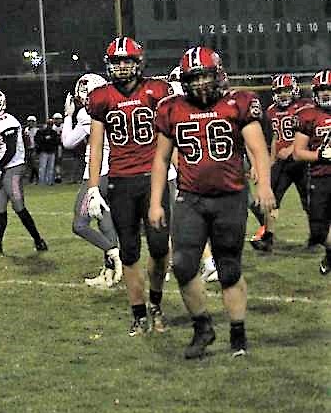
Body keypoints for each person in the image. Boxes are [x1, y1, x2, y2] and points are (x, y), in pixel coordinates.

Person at [150, 46, 275, 358]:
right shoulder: (171, 108)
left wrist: (265, 186)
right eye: (195, 78)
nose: (201, 83)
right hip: (190, 198)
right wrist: (155, 202)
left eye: (206, 76)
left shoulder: (239, 102)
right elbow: (161, 159)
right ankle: (202, 327)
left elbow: (257, 149)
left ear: (218, 75)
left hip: (230, 196)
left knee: (229, 267)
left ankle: (238, 332)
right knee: (182, 265)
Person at [86, 37, 171, 336]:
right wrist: (93, 186)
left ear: (138, 63)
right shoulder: (101, 97)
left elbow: (170, 134)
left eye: (128, 60)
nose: (122, 66)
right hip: (121, 180)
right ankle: (138, 313)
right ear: (110, 65)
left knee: (160, 248)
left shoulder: (157, 91)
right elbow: (96, 146)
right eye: (117, 61)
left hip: (153, 178)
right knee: (130, 251)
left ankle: (156, 302)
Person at [62, 73, 122, 287]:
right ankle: (109, 272)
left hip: (96, 175)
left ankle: (113, 254)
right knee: (105, 222)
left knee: (79, 224)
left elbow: (68, 142)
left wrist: (68, 115)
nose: (84, 102)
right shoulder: (116, 108)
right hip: (114, 172)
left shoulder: (89, 116)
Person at [0, 88, 48, 255]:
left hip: (13, 168)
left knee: (19, 207)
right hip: (6, 169)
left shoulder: (4, 120)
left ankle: (39, 240)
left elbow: (11, 150)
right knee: (0, 207)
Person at [250, 74, 312, 252]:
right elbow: (273, 139)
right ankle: (268, 237)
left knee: (309, 202)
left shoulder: (304, 108)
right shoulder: (270, 111)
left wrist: (293, 149)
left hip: (301, 161)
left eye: (286, 90)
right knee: (270, 199)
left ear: (293, 90)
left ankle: (317, 235)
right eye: (279, 91)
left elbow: (310, 134)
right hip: (281, 164)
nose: (283, 94)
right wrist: (268, 162)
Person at [292, 70, 331, 274]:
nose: (325, 93)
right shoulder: (308, 115)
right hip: (319, 178)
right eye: (321, 89)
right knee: (318, 232)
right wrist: (322, 155)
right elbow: (298, 153)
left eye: (329, 89)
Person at [35, 117, 59, 185]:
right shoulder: (41, 132)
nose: (50, 125)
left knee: (51, 168)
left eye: (51, 124)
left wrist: (47, 139)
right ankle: (42, 182)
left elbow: (56, 141)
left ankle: (50, 182)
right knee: (42, 167)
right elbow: (38, 140)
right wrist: (46, 139)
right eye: (49, 124)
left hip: (52, 151)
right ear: (46, 124)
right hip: (44, 152)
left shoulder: (53, 132)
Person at [23, 115, 39, 183]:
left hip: (33, 148)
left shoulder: (37, 130)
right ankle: (32, 178)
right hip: (27, 148)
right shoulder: (26, 129)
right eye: (29, 121)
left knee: (34, 163)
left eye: (32, 122)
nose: (30, 123)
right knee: (29, 164)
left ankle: (36, 177)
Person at [52, 112, 65, 183]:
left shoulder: (64, 126)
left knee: (58, 161)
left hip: (61, 145)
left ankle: (58, 175)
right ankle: (56, 175)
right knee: (55, 161)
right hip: (54, 146)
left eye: (58, 119)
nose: (57, 121)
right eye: (55, 119)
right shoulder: (52, 127)